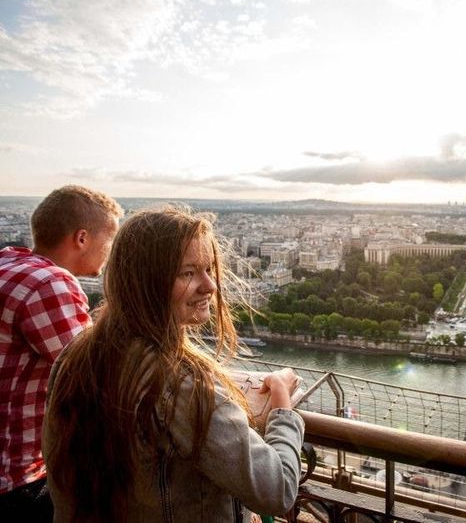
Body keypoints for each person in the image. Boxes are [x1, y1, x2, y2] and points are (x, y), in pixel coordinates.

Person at [43, 206, 305, 522]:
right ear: (147, 282)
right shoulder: (183, 386)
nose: (210, 286)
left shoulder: (76, 355)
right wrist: (282, 407)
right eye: (187, 273)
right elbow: (277, 490)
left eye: (208, 269)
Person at [0, 185, 123, 521]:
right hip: (16, 479)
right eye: (109, 242)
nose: (109, 252)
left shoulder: (8, 263)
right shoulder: (49, 283)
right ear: (81, 238)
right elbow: (100, 372)